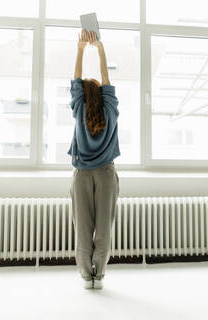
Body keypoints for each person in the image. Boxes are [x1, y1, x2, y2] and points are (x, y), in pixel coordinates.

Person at [68, 29, 120, 290]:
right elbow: (106, 77)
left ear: (83, 96)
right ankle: (99, 276)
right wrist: (99, 48)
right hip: (106, 174)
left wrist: (80, 49)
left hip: (82, 174)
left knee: (83, 226)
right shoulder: (110, 107)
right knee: (104, 226)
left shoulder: (79, 108)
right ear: (101, 94)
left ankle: (86, 276)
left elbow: (76, 79)